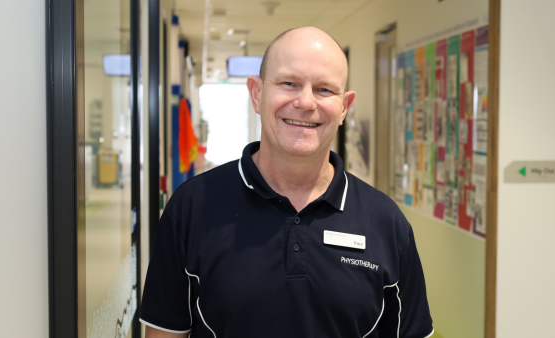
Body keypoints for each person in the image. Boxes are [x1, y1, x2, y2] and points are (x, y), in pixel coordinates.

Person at [140, 26, 434, 338]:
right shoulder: (191, 208)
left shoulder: (386, 224)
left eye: (324, 89)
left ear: (345, 107)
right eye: (289, 83)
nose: (306, 102)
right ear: (256, 93)